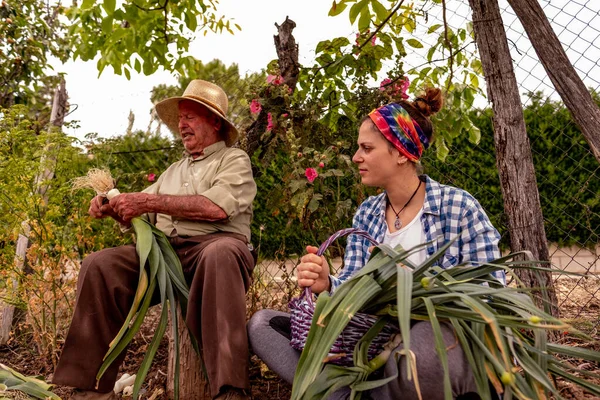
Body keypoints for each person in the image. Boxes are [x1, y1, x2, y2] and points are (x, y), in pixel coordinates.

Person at [248, 88, 505, 399]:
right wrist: (326, 282)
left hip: (436, 344)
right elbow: (355, 289)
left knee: (419, 350)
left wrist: (415, 295)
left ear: (399, 152)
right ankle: (357, 390)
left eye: (367, 148)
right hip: (372, 345)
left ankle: (349, 391)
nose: (356, 157)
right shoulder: (368, 213)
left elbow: (490, 293)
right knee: (263, 325)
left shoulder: (458, 208)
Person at [53, 80, 257, 400]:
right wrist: (112, 209)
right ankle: (91, 387)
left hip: (216, 247)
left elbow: (216, 208)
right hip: (165, 255)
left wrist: (148, 203)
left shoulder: (233, 160)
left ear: (215, 122)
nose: (182, 124)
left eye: (190, 116)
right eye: (180, 119)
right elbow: (140, 214)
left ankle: (230, 390)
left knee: (220, 254)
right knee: (100, 264)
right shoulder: (174, 171)